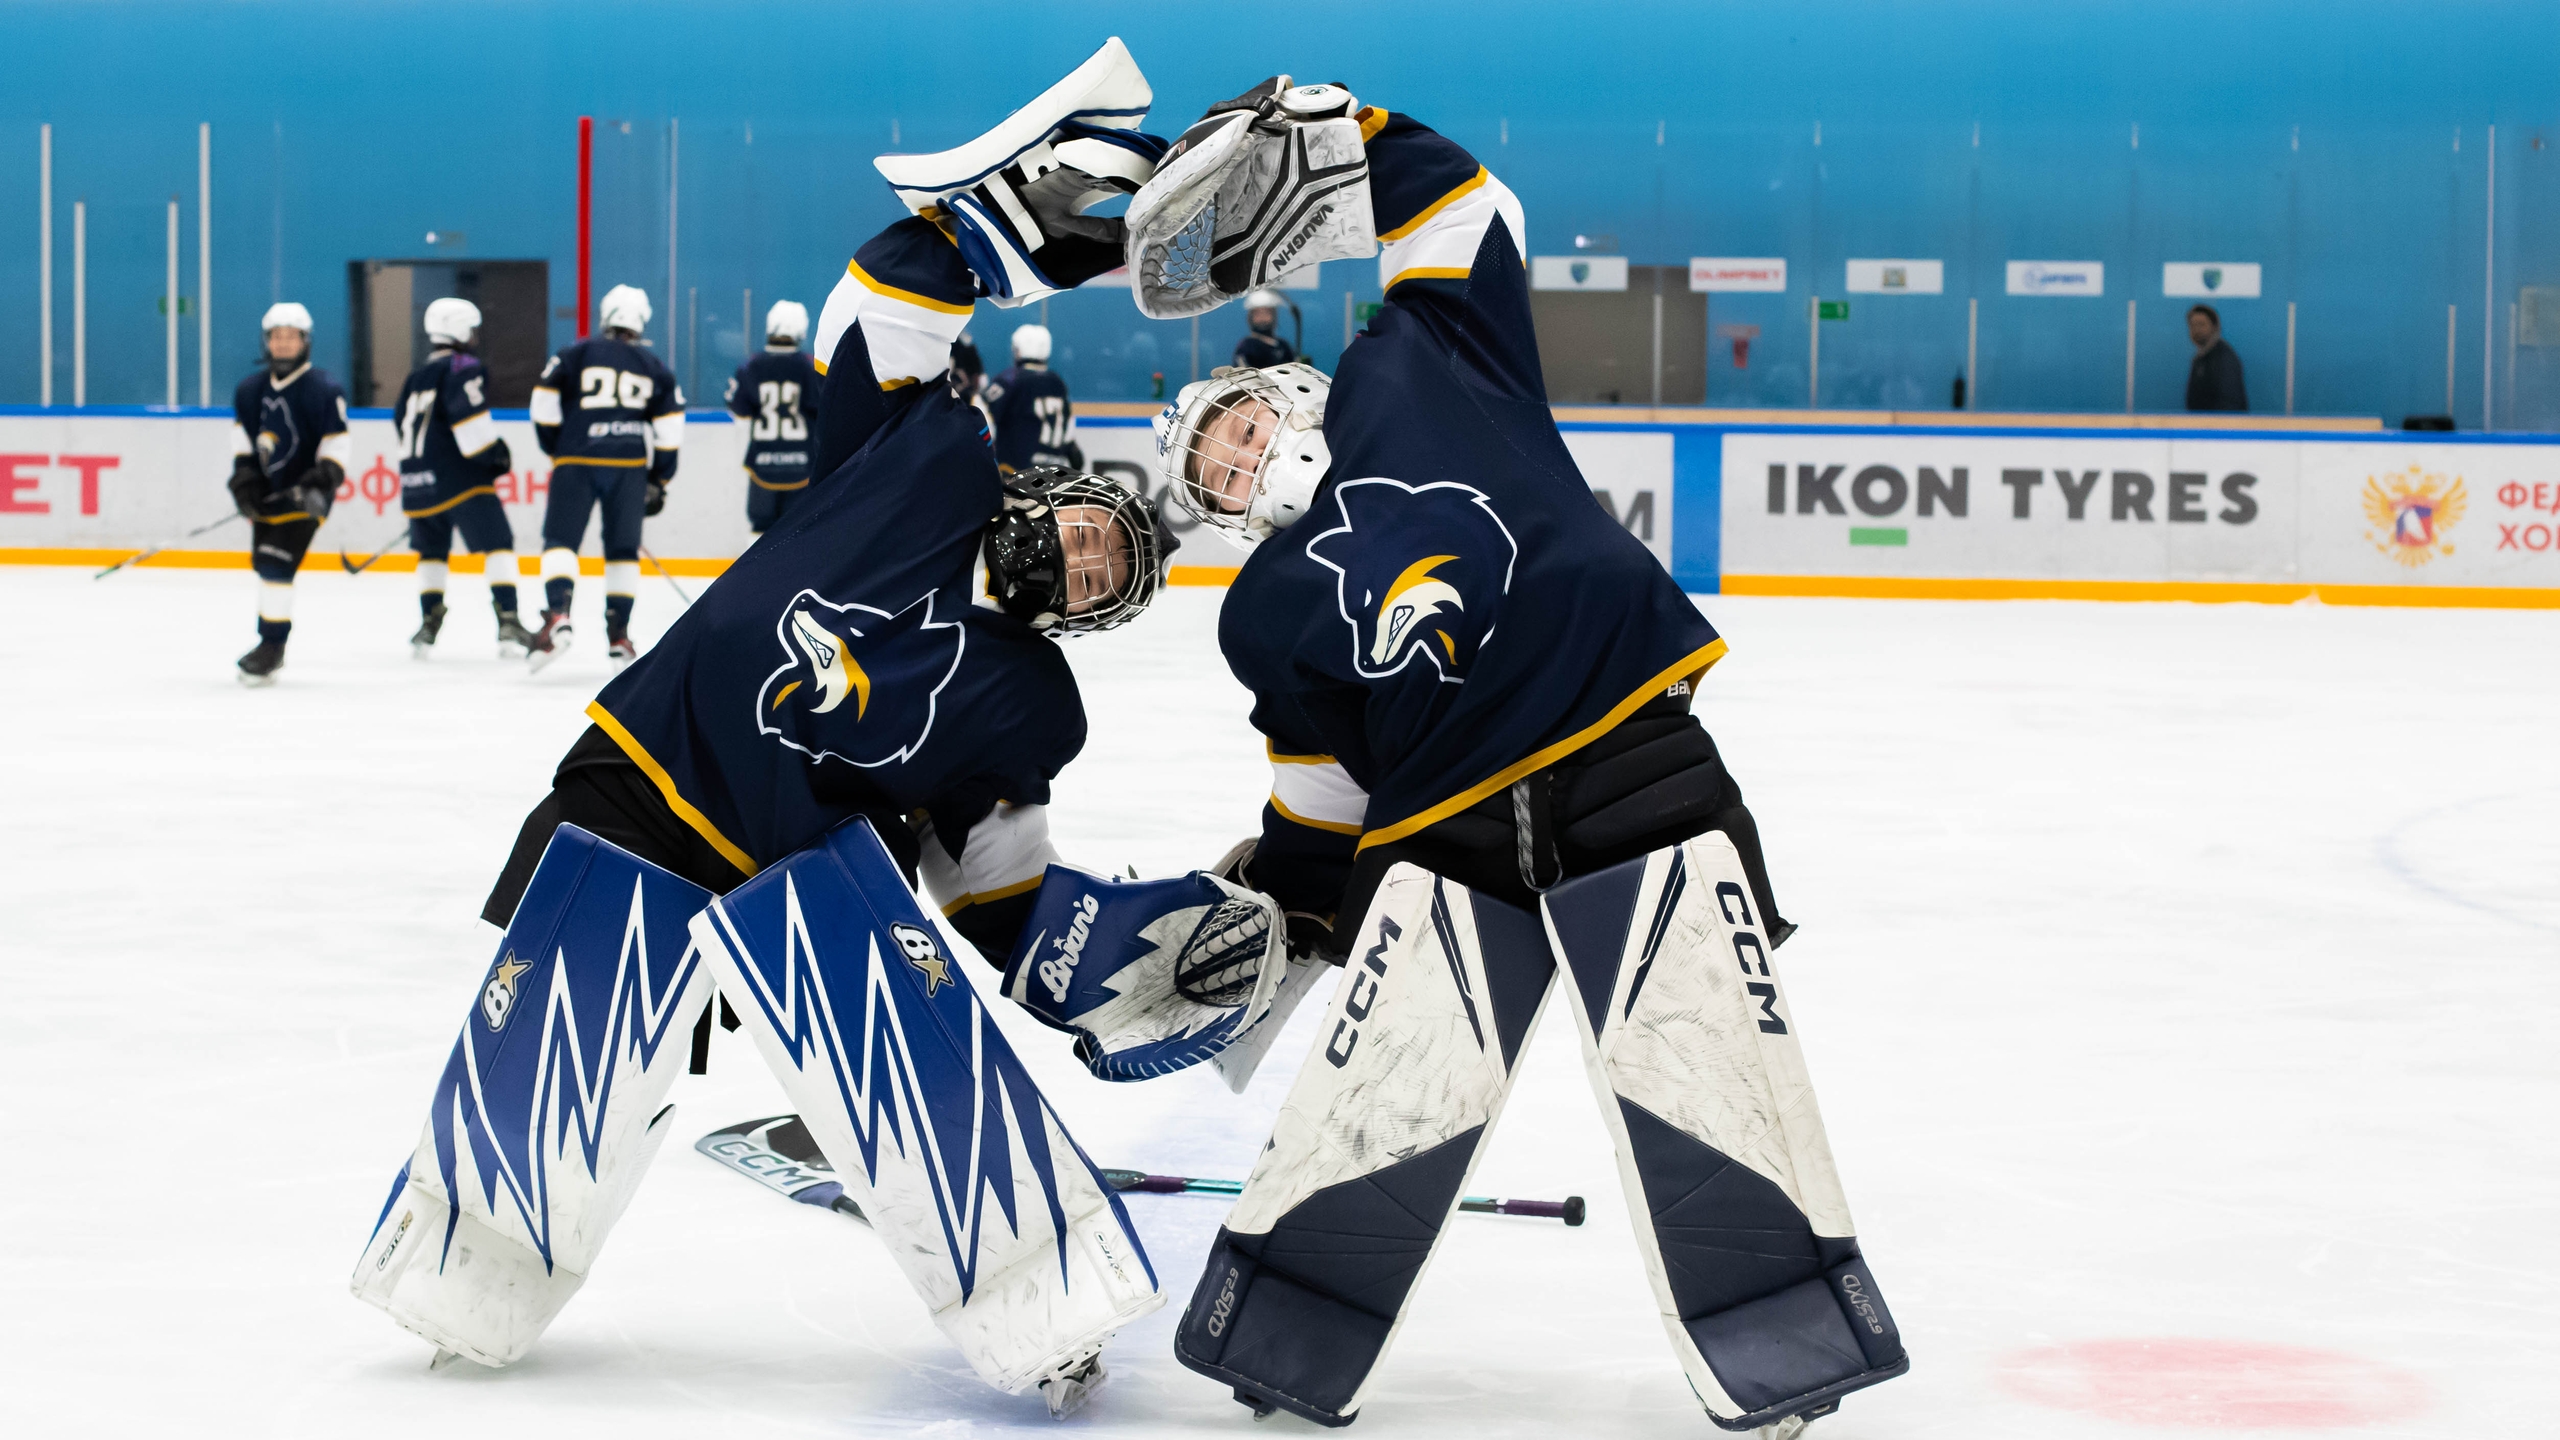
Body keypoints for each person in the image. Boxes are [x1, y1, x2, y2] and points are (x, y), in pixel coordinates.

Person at [1131, 79, 1902, 1432]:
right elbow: (1320, 793)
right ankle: (1287, 1330)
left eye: (1238, 426)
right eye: (1216, 471)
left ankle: (1785, 1340)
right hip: (1446, 833)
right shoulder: (1260, 614)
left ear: (1289, 389)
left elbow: (1466, 213)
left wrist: (1356, 131)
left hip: (1628, 758)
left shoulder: (1419, 365)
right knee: (1382, 1092)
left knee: (1704, 1067)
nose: (1240, 461)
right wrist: (1289, 909)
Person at [485, 212, 1170, 966]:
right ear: (1048, 490)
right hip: (645, 767)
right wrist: (977, 233)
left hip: (777, 883)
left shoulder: (1031, 701)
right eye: (1089, 535)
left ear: (1084, 619)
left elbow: (989, 863)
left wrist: (1094, 963)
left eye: (1100, 581)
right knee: (560, 1017)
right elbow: (869, 323)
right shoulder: (938, 462)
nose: (1081, 562)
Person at [525, 284, 684, 669]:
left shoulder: (574, 353)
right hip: (629, 467)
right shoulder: (653, 364)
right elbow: (670, 429)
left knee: (561, 541)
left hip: (576, 457)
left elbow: (542, 404)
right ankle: (619, 637)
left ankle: (558, 615)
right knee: (622, 551)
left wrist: (556, 446)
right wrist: (659, 479)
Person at [395, 297, 532, 657]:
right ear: (458, 329)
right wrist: (494, 454)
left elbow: (399, 423)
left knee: (432, 552)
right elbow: (468, 420)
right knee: (498, 542)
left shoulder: (416, 376)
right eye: (471, 329)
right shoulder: (463, 367)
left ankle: (428, 623)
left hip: (416, 481)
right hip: (460, 480)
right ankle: (508, 620)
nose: (474, 336)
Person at [225, 302, 350, 685]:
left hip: (304, 498)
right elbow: (243, 446)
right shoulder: (250, 390)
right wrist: (245, 482)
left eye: (291, 337)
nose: (283, 344)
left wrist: (321, 481)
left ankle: (272, 645)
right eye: (276, 337)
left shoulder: (323, 389)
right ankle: (270, 643)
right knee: (265, 565)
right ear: (267, 341)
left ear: (304, 341)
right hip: (269, 497)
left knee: (276, 564)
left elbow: (336, 446)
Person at [724, 299, 823, 534]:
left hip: (762, 464)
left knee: (760, 529)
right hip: (803, 464)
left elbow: (740, 410)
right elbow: (823, 412)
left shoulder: (750, 366)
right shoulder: (811, 367)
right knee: (798, 531)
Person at [983, 324, 1079, 473]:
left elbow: (982, 414)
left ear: (1018, 350)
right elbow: (1069, 434)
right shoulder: (1058, 383)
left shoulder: (1010, 379)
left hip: (1017, 472)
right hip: (1055, 473)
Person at [2185, 304, 2248, 412]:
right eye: (2193, 325)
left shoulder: (2224, 358)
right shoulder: (2200, 359)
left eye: (2201, 324)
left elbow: (2230, 404)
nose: (2196, 330)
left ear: (2214, 327)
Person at [1230, 286, 1295, 367]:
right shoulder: (1246, 347)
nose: (1262, 318)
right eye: (1258, 314)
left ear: (1274, 315)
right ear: (1250, 317)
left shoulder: (1283, 346)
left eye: (1267, 313)